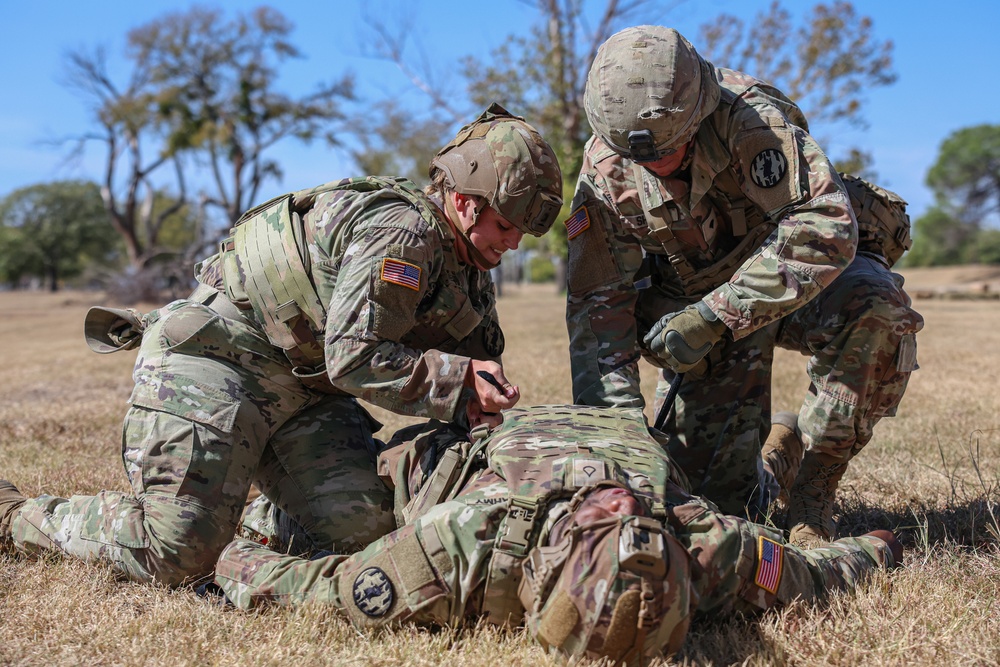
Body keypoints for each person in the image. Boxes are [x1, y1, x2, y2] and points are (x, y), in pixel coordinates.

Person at [0, 103, 563, 586]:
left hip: (305, 390)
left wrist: (480, 400)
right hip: (216, 364)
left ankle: (243, 515)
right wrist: (456, 380)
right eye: (508, 227)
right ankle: (17, 516)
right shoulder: (401, 232)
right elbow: (356, 357)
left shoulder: (466, 265)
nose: (513, 244)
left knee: (364, 534)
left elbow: (472, 360)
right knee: (178, 552)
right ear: (465, 204)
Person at [564, 25, 924, 543]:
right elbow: (598, 306)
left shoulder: (750, 119)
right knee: (717, 506)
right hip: (703, 314)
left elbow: (826, 223)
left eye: (670, 148)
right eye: (640, 158)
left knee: (877, 308)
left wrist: (714, 316)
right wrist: (622, 439)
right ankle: (780, 451)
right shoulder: (604, 168)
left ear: (699, 107)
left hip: (792, 289)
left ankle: (812, 496)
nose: (655, 166)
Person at [213, 405, 902, 664]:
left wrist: (227, 554)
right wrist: (878, 547)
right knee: (755, 492)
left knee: (751, 496)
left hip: (619, 438)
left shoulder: (706, 551)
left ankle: (778, 444)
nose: (617, 507)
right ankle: (779, 444)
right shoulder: (706, 546)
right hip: (530, 439)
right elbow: (819, 571)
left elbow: (317, 589)